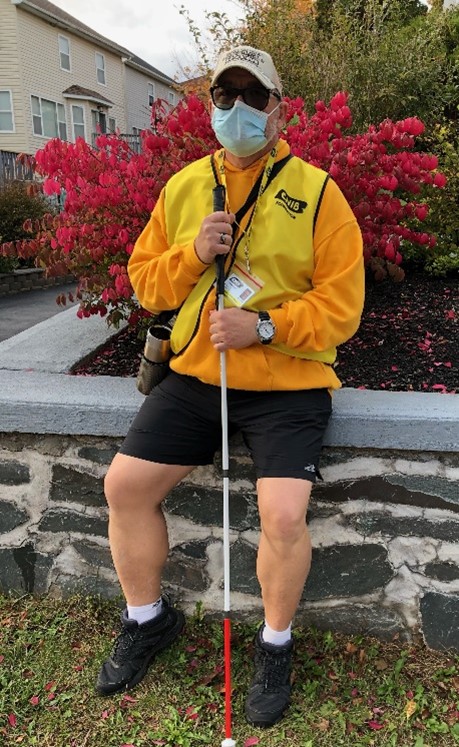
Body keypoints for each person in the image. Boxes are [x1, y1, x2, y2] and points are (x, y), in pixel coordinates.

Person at [96, 45, 365, 728]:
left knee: (281, 515)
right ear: (210, 105)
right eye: (225, 96)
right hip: (196, 373)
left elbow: (343, 305)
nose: (238, 110)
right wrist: (191, 255)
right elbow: (143, 279)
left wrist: (266, 327)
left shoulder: (318, 192)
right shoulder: (186, 186)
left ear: (279, 108)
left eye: (254, 97)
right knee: (124, 486)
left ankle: (274, 644)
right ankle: (146, 619)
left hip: (288, 380)